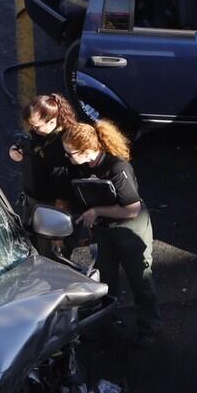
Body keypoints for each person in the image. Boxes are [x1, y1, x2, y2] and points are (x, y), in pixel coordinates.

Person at [62, 120, 162, 343]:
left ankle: (150, 327)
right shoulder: (83, 165)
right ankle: (106, 320)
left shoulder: (118, 168)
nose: (67, 158)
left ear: (87, 150)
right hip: (104, 231)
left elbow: (132, 208)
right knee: (105, 278)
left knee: (140, 280)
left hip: (129, 230)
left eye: (70, 154)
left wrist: (96, 211)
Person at [8, 93, 77, 210]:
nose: (32, 129)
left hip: (46, 204)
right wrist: (15, 151)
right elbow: (28, 142)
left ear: (52, 122)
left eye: (36, 126)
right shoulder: (40, 133)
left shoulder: (62, 147)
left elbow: (63, 191)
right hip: (32, 196)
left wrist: (55, 216)